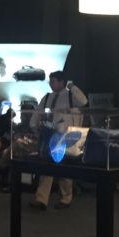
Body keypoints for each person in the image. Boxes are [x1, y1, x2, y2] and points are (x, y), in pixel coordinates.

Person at [29, 71, 87, 210]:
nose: (51, 84)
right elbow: (38, 111)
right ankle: (41, 199)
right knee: (47, 165)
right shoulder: (47, 97)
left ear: (62, 82)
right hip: (50, 133)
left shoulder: (71, 95)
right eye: (50, 81)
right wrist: (33, 125)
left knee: (63, 166)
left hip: (65, 135)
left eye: (53, 81)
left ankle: (66, 198)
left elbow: (83, 101)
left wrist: (72, 87)